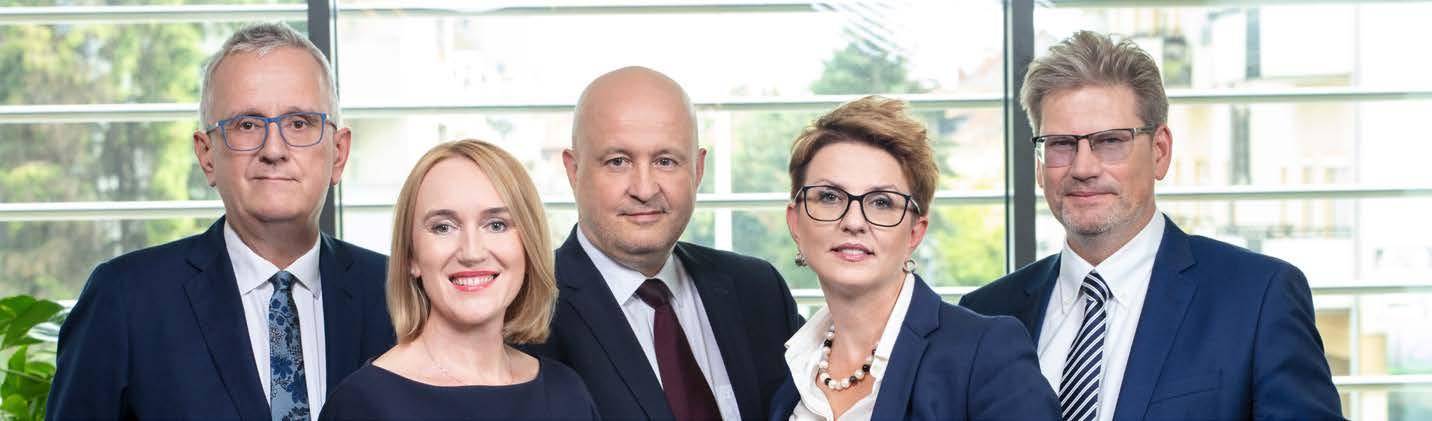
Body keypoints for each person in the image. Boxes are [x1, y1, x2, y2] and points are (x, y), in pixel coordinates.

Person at [959, 30, 1343, 421]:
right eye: (1061, 144)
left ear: (1160, 152)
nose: (1083, 167)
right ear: (1040, 165)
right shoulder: (985, 315)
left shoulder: (1258, 298)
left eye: (1110, 141)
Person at [48, 22, 394, 420]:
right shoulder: (125, 300)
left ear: (339, 153)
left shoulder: (397, 295)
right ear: (206, 154)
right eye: (247, 125)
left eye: (299, 123)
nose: (274, 149)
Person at [523, 66, 803, 421]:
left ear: (698, 169)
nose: (644, 189)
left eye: (665, 161)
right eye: (618, 161)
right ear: (573, 170)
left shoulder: (759, 291)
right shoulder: (525, 310)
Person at [765, 96, 1058, 421]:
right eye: (830, 197)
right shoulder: (788, 367)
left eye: (881, 202)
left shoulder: (986, 353)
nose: (853, 222)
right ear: (796, 222)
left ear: (915, 233)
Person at [318, 139, 598, 420]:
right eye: (443, 227)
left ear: (528, 247)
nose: (472, 252)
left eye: (496, 225)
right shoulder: (361, 405)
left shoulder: (567, 394)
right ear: (411, 256)